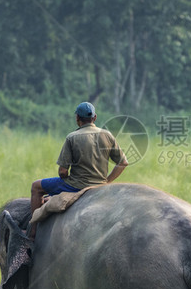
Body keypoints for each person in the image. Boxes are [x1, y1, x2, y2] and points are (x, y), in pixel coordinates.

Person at [27, 101, 128, 239]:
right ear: (95, 117)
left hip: (76, 186)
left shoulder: (72, 137)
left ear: (77, 119)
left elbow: (62, 171)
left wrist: (65, 176)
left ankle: (33, 230)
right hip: (100, 185)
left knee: (36, 187)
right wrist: (106, 181)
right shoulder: (107, 135)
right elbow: (123, 163)